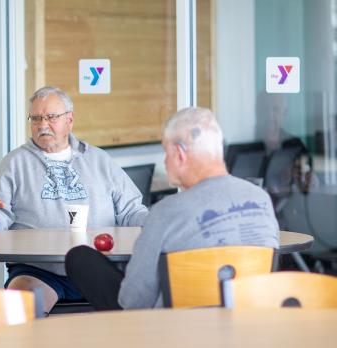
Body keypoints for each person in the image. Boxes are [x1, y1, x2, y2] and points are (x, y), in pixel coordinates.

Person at [65, 107, 280, 310]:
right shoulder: (261, 200)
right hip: (247, 328)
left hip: (174, 332)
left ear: (180, 153)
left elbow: (133, 301)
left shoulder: (165, 212)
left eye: (166, 152)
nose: (166, 161)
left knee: (80, 259)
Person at [0, 86, 148, 312]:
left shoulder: (99, 159)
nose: (42, 124)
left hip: (100, 267)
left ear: (70, 120)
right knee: (16, 309)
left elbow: (131, 211)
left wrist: (157, 223)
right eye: (36, 118)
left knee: (141, 302)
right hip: (40, 271)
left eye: (51, 117)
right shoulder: (15, 163)